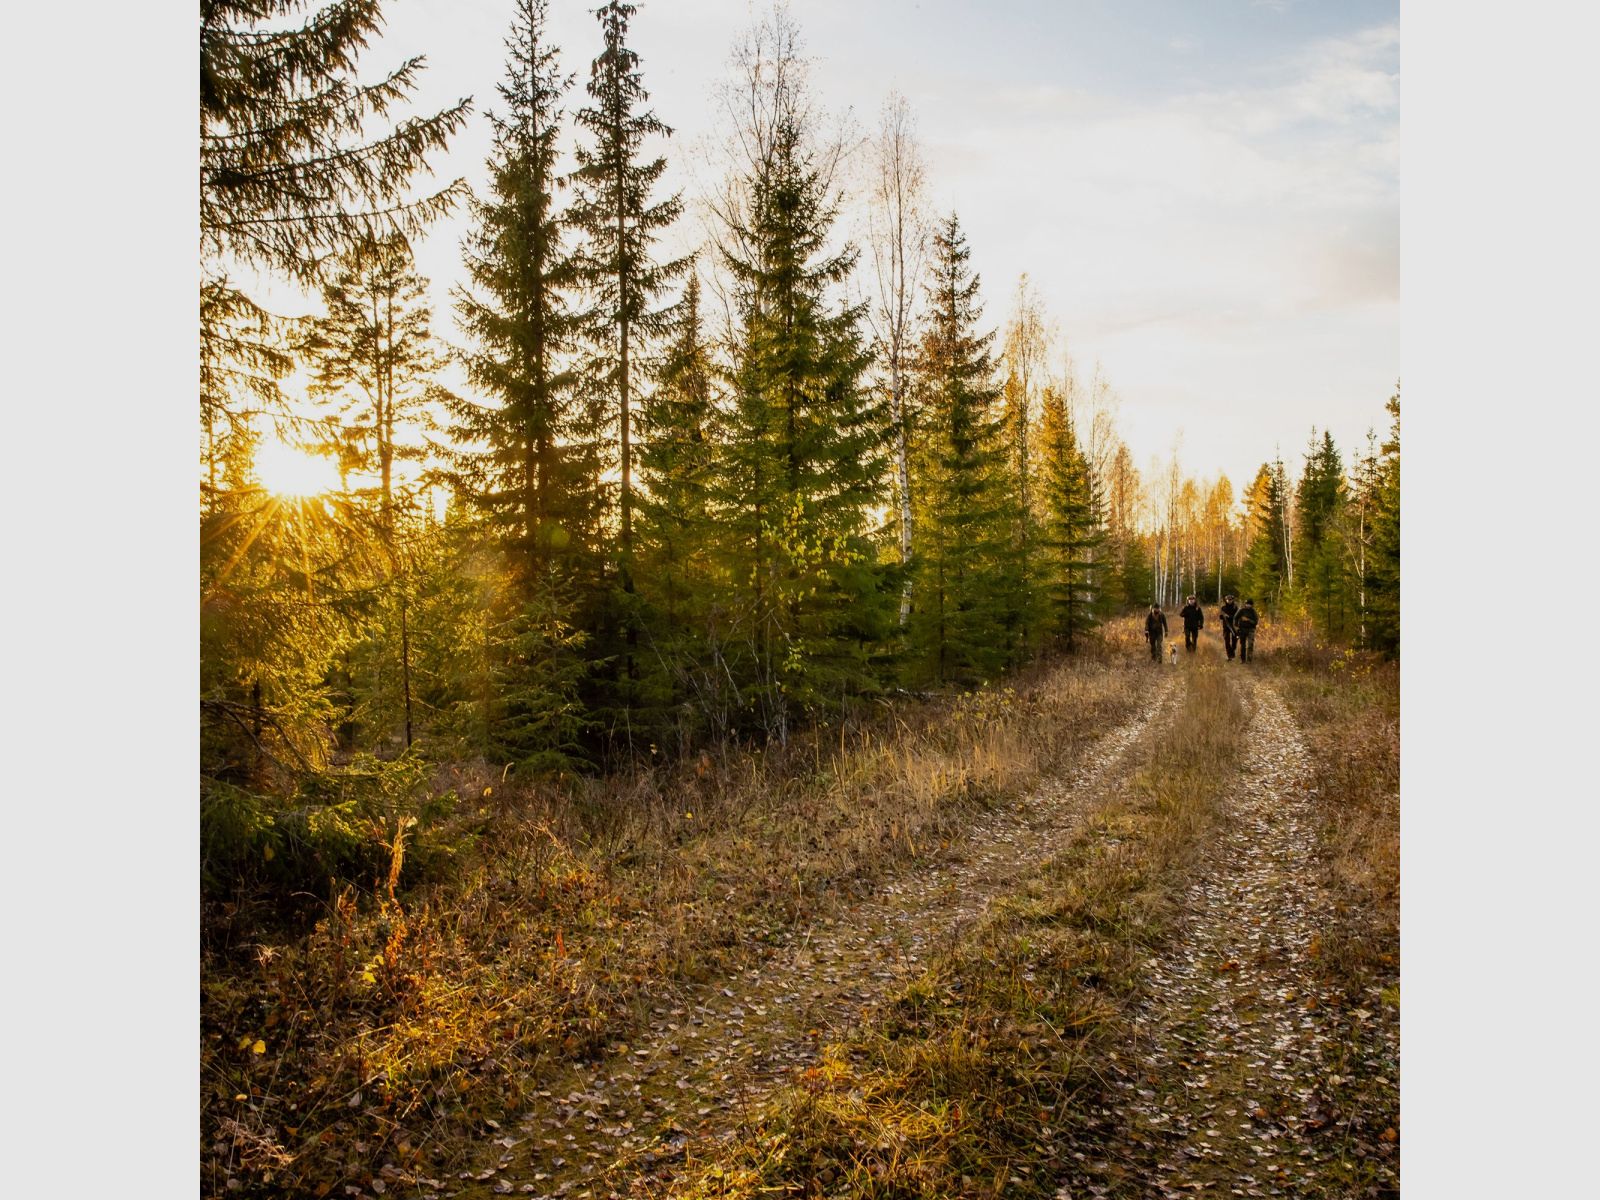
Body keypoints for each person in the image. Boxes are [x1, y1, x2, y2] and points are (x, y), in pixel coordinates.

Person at [1235, 597, 1259, 663]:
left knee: (1250, 645)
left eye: (1249, 604)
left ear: (1252, 605)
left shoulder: (1253, 612)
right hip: (1242, 629)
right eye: (1247, 604)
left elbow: (1256, 622)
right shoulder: (1241, 610)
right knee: (1243, 645)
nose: (1248, 605)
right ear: (1245, 604)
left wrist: (1248, 620)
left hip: (1251, 630)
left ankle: (1249, 660)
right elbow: (1235, 618)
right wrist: (1236, 626)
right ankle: (1242, 660)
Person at [1219, 594, 1239, 661]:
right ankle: (1229, 656)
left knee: (1234, 641)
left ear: (1232, 600)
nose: (1228, 601)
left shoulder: (1235, 607)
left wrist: (1229, 616)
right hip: (1226, 626)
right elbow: (1221, 617)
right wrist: (1222, 616)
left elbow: (1237, 617)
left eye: (1230, 599)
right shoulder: (1223, 608)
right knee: (1226, 641)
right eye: (1227, 599)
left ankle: (1232, 651)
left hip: (1233, 626)